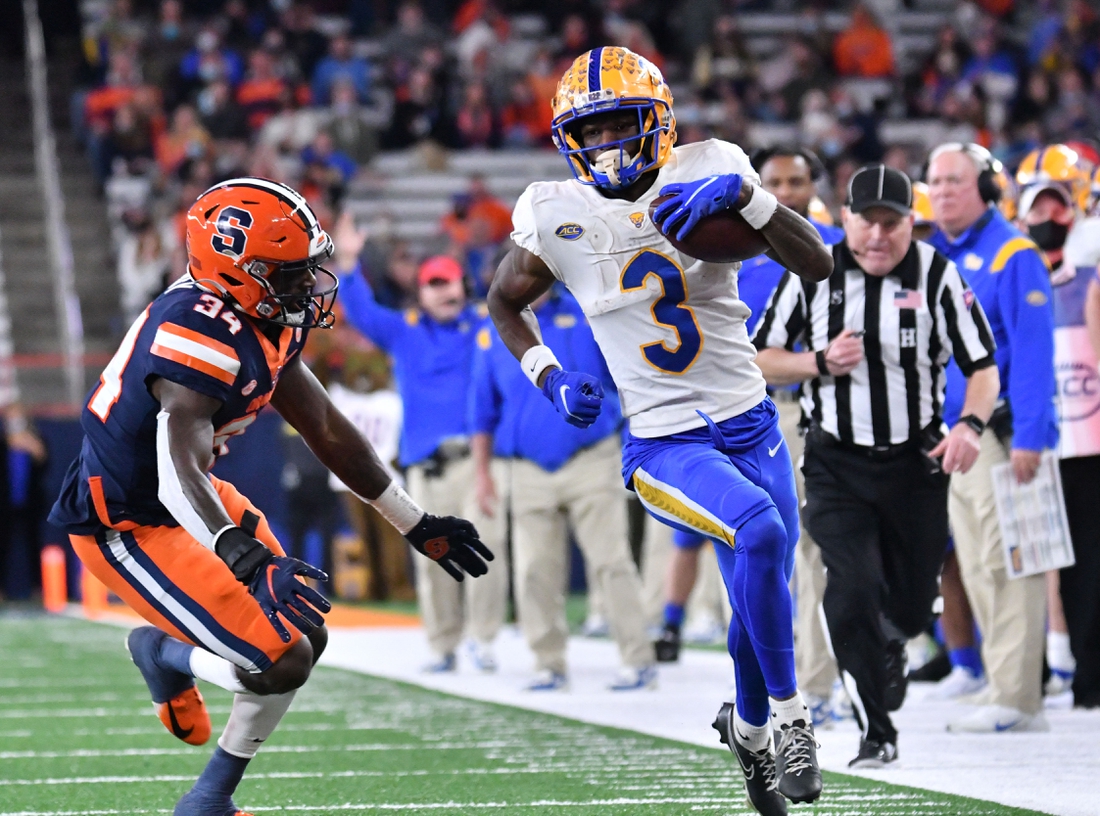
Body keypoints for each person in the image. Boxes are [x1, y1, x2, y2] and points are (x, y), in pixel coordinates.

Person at [47, 178, 492, 816]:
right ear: (238, 274)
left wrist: (414, 523)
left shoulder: (261, 317)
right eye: (288, 274)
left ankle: (210, 796)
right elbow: (174, 468)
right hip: (127, 521)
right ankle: (167, 665)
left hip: (189, 498)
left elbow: (328, 429)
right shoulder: (198, 329)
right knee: (281, 658)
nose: (307, 286)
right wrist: (246, 559)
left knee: (302, 629)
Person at [486, 46, 834, 813]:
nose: (608, 145)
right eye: (593, 130)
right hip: (664, 441)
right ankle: (791, 719)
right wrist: (546, 373)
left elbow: (817, 264)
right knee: (764, 535)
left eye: (621, 125)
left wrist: (750, 198)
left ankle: (744, 730)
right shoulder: (556, 210)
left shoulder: (713, 166)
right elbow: (504, 302)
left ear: (660, 122)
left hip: (751, 420)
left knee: (760, 590)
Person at [754, 164, 999, 768]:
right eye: (868, 222)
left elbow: (984, 368)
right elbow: (758, 358)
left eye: (893, 223)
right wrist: (817, 362)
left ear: (912, 224)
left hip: (916, 462)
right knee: (850, 588)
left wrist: (970, 425)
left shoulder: (939, 275)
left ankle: (895, 640)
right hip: (835, 461)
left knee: (914, 605)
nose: (880, 237)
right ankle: (876, 728)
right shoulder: (813, 272)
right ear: (845, 220)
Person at [335, 219, 509, 674]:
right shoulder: (404, 331)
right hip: (425, 465)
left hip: (476, 459)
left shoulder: (484, 326)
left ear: (460, 284)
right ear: (421, 292)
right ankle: (443, 642)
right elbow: (360, 311)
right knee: (434, 554)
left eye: (446, 282)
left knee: (487, 547)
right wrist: (350, 264)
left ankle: (484, 639)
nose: (440, 292)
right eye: (432, 284)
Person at [926, 143, 1059, 733]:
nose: (944, 191)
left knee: (1014, 560)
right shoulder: (939, 256)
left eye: (955, 181)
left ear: (985, 186)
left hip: (1004, 434)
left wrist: (1032, 435)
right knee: (979, 561)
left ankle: (1016, 695)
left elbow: (1034, 353)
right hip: (958, 438)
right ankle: (999, 683)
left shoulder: (1014, 252)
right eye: (935, 181)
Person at [470, 286, 657, 691]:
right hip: (525, 467)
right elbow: (482, 411)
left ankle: (638, 658)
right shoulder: (494, 330)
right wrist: (482, 474)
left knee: (611, 560)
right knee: (534, 569)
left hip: (591, 456)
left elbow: (627, 380)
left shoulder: (588, 315)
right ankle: (548, 662)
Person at [1021, 145, 1100, 709]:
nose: (1051, 218)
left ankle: (1080, 670)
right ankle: (1047, 667)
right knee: (1036, 553)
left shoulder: (1089, 268)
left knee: (1084, 556)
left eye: (1059, 205)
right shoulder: (1014, 267)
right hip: (1035, 430)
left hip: (1085, 434)